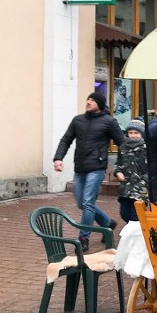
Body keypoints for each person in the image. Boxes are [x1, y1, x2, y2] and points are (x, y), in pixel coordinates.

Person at [53, 92, 124, 252]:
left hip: (97, 169)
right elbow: (66, 139)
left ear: (99, 103)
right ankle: (107, 223)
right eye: (88, 99)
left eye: (92, 100)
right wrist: (58, 158)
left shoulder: (109, 122)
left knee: (87, 203)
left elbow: (122, 143)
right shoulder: (78, 120)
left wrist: (121, 166)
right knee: (82, 203)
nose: (88, 102)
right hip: (80, 169)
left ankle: (83, 237)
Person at [114, 119, 148, 223]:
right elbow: (118, 163)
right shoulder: (123, 147)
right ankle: (132, 232)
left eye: (136, 133)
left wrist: (144, 182)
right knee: (124, 214)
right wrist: (118, 172)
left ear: (142, 134)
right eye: (130, 133)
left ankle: (136, 236)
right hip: (126, 188)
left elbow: (152, 168)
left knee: (136, 215)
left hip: (141, 189)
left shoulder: (147, 148)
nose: (133, 135)